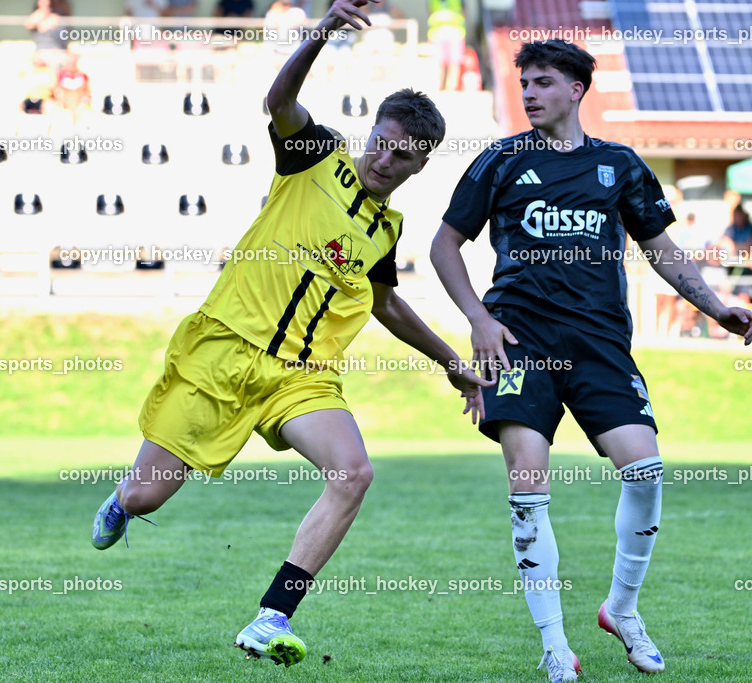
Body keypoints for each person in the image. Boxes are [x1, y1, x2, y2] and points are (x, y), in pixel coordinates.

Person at [90, 0, 487, 669]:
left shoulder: (385, 231)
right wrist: (323, 32)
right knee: (147, 492)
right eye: (385, 143)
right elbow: (278, 99)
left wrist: (450, 360)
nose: (390, 160)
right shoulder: (316, 157)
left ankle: (271, 615)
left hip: (302, 376)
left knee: (353, 471)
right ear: (373, 133)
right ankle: (121, 500)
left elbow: (386, 306)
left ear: (422, 167)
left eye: (407, 156)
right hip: (224, 352)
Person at [429, 40, 752, 682]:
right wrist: (478, 318)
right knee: (529, 495)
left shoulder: (621, 165)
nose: (529, 93)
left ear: (577, 90)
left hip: (601, 344)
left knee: (646, 471)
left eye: (543, 82)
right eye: (524, 82)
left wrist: (716, 308)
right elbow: (444, 244)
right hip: (519, 343)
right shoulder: (499, 160)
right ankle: (555, 646)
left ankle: (622, 609)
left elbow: (662, 248)